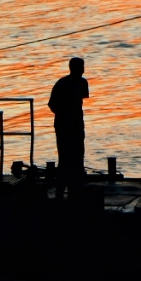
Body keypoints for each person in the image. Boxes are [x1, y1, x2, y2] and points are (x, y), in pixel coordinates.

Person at [48, 57, 89, 197]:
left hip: (73, 124)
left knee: (73, 157)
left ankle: (73, 190)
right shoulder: (75, 83)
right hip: (68, 125)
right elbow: (52, 104)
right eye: (81, 67)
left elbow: (52, 104)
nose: (83, 69)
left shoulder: (69, 83)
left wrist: (62, 115)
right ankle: (65, 190)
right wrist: (64, 115)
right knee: (68, 158)